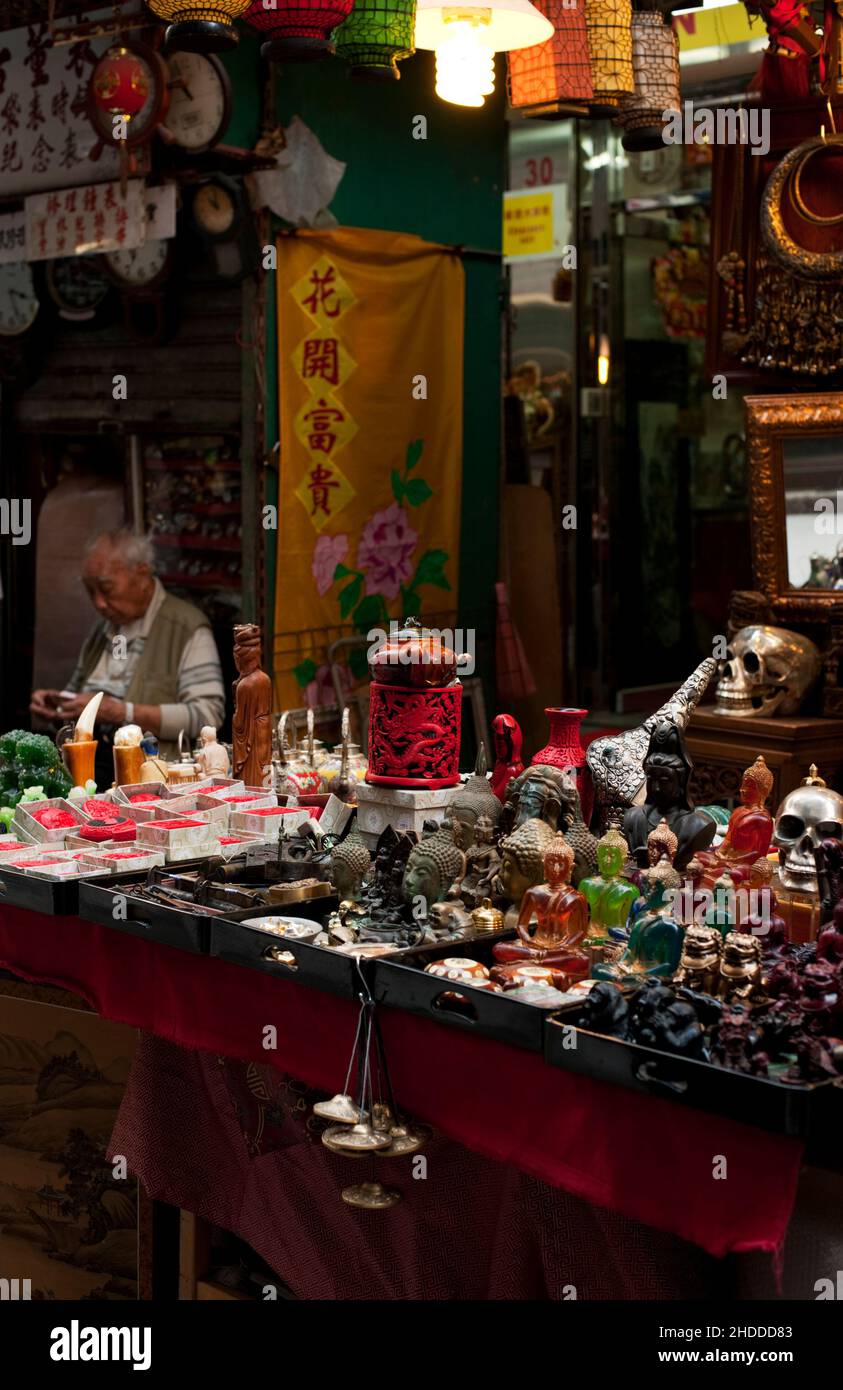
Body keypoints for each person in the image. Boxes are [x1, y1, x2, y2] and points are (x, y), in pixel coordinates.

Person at [30, 530, 225, 779]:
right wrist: (59, 707)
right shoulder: (105, 628)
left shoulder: (186, 628)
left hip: (148, 772)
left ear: (142, 575)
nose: (99, 603)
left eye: (106, 588)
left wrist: (124, 712)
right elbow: (78, 693)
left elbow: (207, 715)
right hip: (90, 764)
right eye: (91, 591)